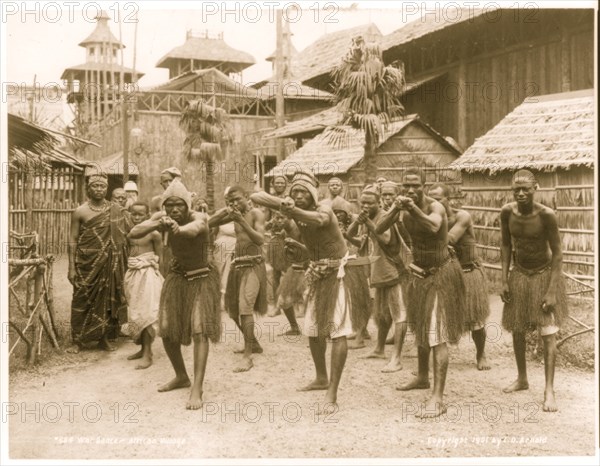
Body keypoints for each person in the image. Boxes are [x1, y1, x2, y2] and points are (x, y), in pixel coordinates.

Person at [250, 171, 369, 413]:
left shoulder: (324, 208)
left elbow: (320, 222)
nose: (299, 195)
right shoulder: (295, 219)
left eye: (304, 192)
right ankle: (321, 377)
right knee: (313, 332)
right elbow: (256, 195)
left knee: (337, 333)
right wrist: (296, 240)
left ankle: (332, 393)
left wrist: (290, 208)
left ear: (313, 195)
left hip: (339, 275)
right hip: (317, 275)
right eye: (295, 193)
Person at [376, 168, 465, 418]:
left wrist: (412, 207)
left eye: (416, 186)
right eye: (407, 186)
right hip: (419, 274)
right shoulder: (402, 207)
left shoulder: (435, 207)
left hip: (442, 273)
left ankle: (437, 398)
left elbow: (434, 227)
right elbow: (378, 227)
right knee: (422, 329)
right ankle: (423, 377)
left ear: (424, 186)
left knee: (437, 333)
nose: (411, 190)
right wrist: (395, 208)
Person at [129, 178, 221, 410]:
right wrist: (157, 223)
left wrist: (178, 228)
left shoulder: (197, 217)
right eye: (169, 205)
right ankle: (181, 376)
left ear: (187, 205)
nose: (174, 209)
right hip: (178, 277)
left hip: (202, 277)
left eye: (179, 205)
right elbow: (134, 232)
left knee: (200, 330)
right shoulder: (162, 217)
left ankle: (197, 388)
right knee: (167, 331)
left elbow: (195, 229)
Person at [500, 169, 567, 412]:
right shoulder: (507, 212)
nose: (520, 193)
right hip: (519, 274)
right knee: (517, 328)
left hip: (543, 274)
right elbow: (506, 244)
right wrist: (504, 278)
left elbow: (558, 253)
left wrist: (551, 291)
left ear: (535, 188)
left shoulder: (547, 215)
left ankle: (549, 390)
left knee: (548, 333)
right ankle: (522, 378)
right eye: (516, 189)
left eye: (525, 189)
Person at [429, 183, 491, 370]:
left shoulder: (461, 216)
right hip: (448, 273)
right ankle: (440, 358)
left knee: (475, 319)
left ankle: (481, 354)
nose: (434, 202)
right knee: (441, 316)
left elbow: (450, 239)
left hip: (469, 272)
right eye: (430, 199)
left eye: (438, 199)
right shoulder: (431, 219)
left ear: (448, 199)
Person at [349, 185, 410, 372]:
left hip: (393, 271)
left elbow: (385, 239)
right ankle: (379, 349)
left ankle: (397, 358)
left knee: (399, 314)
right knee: (383, 314)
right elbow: (353, 237)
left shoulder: (384, 217)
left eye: (370, 203)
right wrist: (357, 222)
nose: (365, 206)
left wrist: (366, 222)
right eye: (363, 203)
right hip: (379, 271)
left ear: (379, 203)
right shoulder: (368, 217)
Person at [67, 173, 131, 353]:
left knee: (107, 296)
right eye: (95, 186)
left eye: (102, 186)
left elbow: (128, 234)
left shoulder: (115, 209)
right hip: (86, 263)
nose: (99, 189)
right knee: (81, 297)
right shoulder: (80, 211)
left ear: (106, 189)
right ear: (88, 188)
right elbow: (72, 239)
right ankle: (77, 340)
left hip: (110, 262)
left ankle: (104, 338)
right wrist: (71, 267)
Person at [210, 185, 267, 372]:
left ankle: (248, 356)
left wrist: (241, 220)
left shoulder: (256, 213)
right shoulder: (234, 214)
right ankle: (254, 344)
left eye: (237, 199)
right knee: (233, 311)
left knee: (245, 309)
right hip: (238, 264)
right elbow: (209, 223)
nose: (234, 203)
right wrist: (223, 212)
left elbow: (259, 239)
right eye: (230, 201)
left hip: (253, 264)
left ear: (246, 197)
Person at [121, 202, 164, 369]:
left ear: (147, 216)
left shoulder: (154, 234)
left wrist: (162, 276)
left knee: (147, 312)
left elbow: (161, 258)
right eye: (134, 214)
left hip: (148, 275)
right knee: (135, 312)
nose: (137, 217)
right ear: (130, 214)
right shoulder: (129, 234)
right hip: (133, 274)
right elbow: (127, 255)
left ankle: (148, 352)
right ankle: (142, 348)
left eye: (141, 214)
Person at [332, 196, 372, 349]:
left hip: (360, 262)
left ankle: (360, 337)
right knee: (351, 299)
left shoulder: (359, 223)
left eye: (340, 212)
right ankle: (363, 330)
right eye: (334, 212)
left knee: (360, 298)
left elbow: (361, 243)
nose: (337, 215)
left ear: (347, 213)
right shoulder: (333, 223)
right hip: (344, 264)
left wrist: (346, 235)